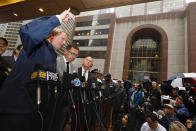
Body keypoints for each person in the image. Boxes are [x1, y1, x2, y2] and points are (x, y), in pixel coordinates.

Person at [0, 8, 74, 131]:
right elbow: (28, 32)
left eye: (66, 40)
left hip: (35, 112)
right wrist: (58, 18)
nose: (64, 42)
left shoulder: (53, 56)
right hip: (16, 108)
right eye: (62, 38)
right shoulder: (37, 44)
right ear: (52, 35)